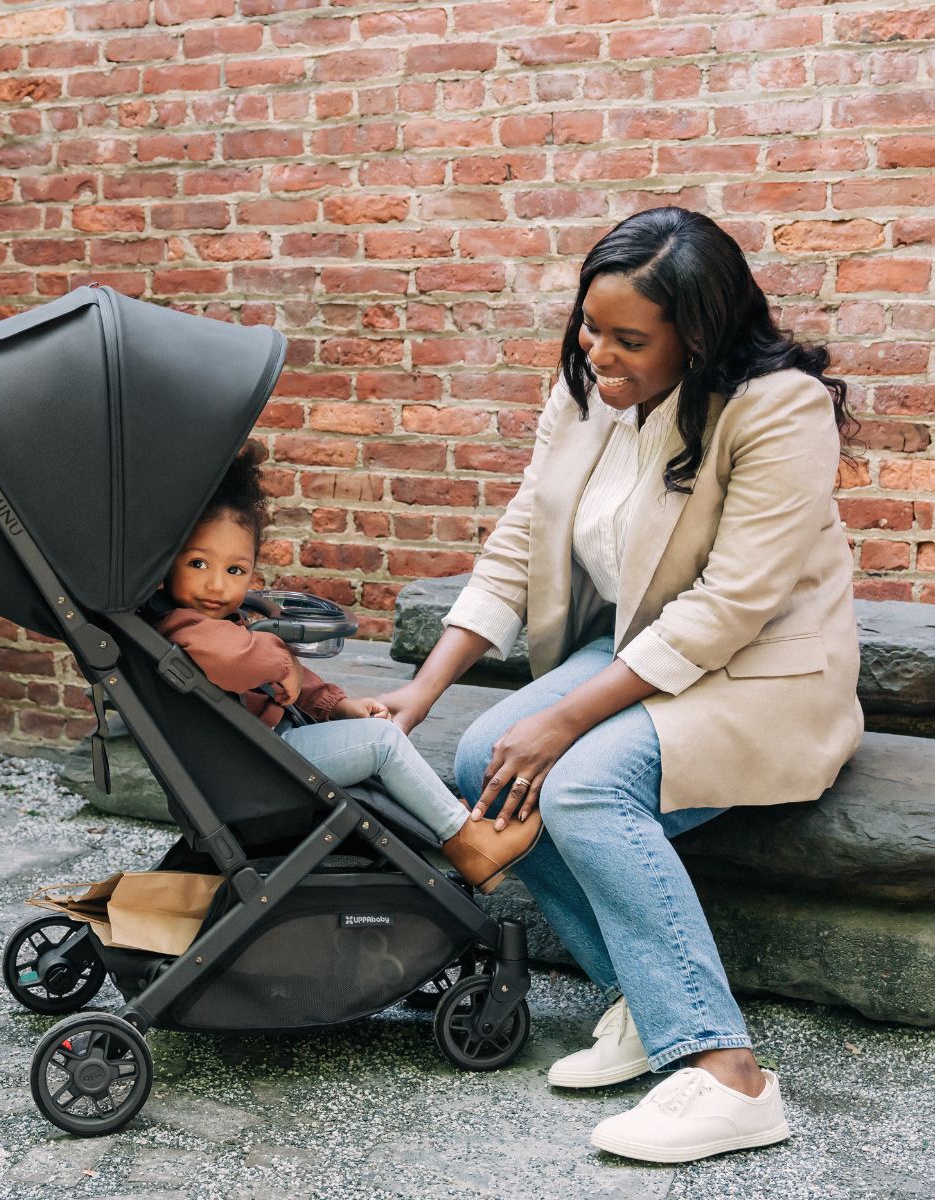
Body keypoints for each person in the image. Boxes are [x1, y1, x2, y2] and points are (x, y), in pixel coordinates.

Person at [378, 206, 863, 1164]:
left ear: (701, 335)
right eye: (589, 326)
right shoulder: (587, 391)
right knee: (483, 761)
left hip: (764, 669)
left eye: (629, 339)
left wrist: (564, 720)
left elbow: (731, 605)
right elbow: (521, 539)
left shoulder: (780, 408)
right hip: (643, 647)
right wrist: (422, 694)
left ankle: (728, 1074)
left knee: (584, 785)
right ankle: (647, 1002)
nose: (599, 353)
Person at [153, 443, 544, 891]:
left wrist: (338, 706)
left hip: (256, 756)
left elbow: (287, 680)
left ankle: (446, 817)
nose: (216, 585)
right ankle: (469, 843)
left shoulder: (218, 622)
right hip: (253, 770)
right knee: (382, 742)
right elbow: (238, 660)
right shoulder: (185, 627)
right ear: (167, 563)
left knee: (372, 736)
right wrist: (282, 658)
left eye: (236, 570)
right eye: (198, 563)